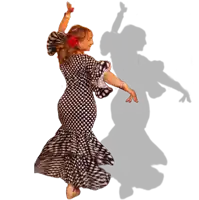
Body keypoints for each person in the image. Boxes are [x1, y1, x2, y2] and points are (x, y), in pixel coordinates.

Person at [34, 2, 138, 200]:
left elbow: (59, 36)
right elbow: (107, 77)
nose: (92, 44)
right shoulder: (87, 60)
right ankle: (72, 186)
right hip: (82, 106)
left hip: (65, 105)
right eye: (90, 40)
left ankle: (72, 184)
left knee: (71, 141)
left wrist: (66, 16)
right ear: (78, 42)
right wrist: (125, 85)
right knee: (80, 143)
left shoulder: (64, 57)